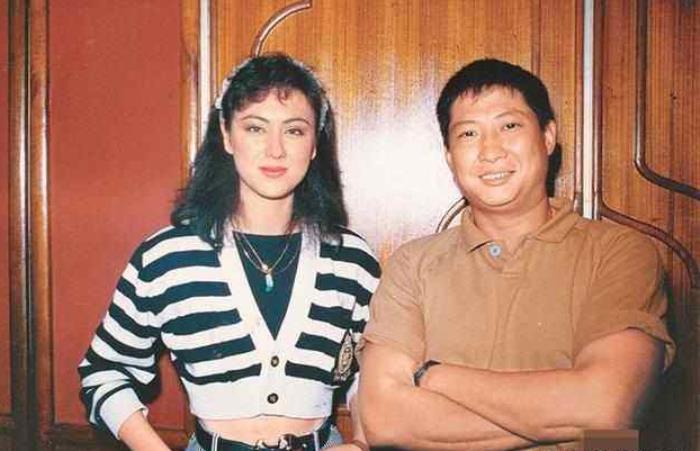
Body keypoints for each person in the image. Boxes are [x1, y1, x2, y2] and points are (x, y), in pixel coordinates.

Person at [359, 58, 674, 450]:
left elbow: (607, 409)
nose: (490, 151)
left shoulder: (619, 252)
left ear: (547, 137)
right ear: (449, 156)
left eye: (509, 126)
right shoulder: (413, 264)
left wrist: (434, 376)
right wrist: (563, 411)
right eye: (468, 133)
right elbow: (385, 421)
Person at [79, 53, 379, 451]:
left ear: (313, 145)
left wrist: (361, 443)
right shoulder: (166, 257)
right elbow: (104, 371)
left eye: (294, 130)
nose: (275, 150)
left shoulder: (353, 260)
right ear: (226, 134)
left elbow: (371, 374)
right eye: (255, 128)